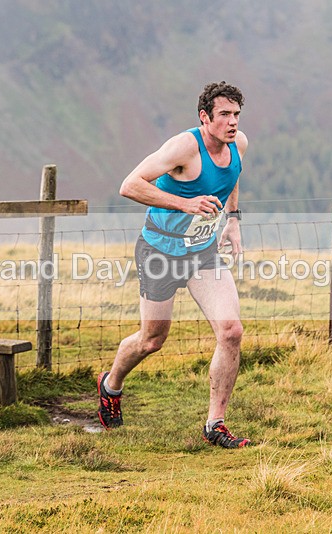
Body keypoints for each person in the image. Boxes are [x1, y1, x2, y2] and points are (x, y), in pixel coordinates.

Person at [96, 81, 251, 448]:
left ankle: (215, 424)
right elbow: (129, 185)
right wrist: (186, 204)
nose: (232, 123)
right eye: (225, 115)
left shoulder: (238, 144)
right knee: (152, 341)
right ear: (204, 117)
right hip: (159, 253)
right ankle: (110, 385)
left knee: (231, 331)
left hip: (202, 253)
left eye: (237, 115)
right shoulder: (184, 147)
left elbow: (232, 178)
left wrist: (232, 220)